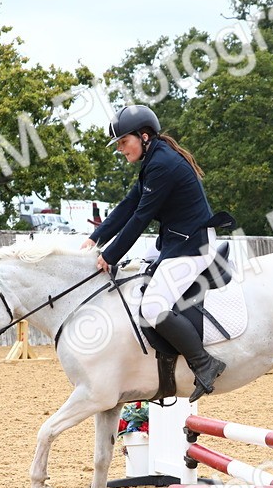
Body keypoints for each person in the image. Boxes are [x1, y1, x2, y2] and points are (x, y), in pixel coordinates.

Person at [80, 104, 226, 401]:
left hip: (192, 246)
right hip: (174, 241)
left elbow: (140, 218)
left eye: (123, 142)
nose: (120, 149)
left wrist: (110, 255)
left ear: (144, 136)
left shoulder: (162, 164)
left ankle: (204, 363)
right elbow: (128, 205)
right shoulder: (153, 161)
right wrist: (96, 238)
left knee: (153, 307)